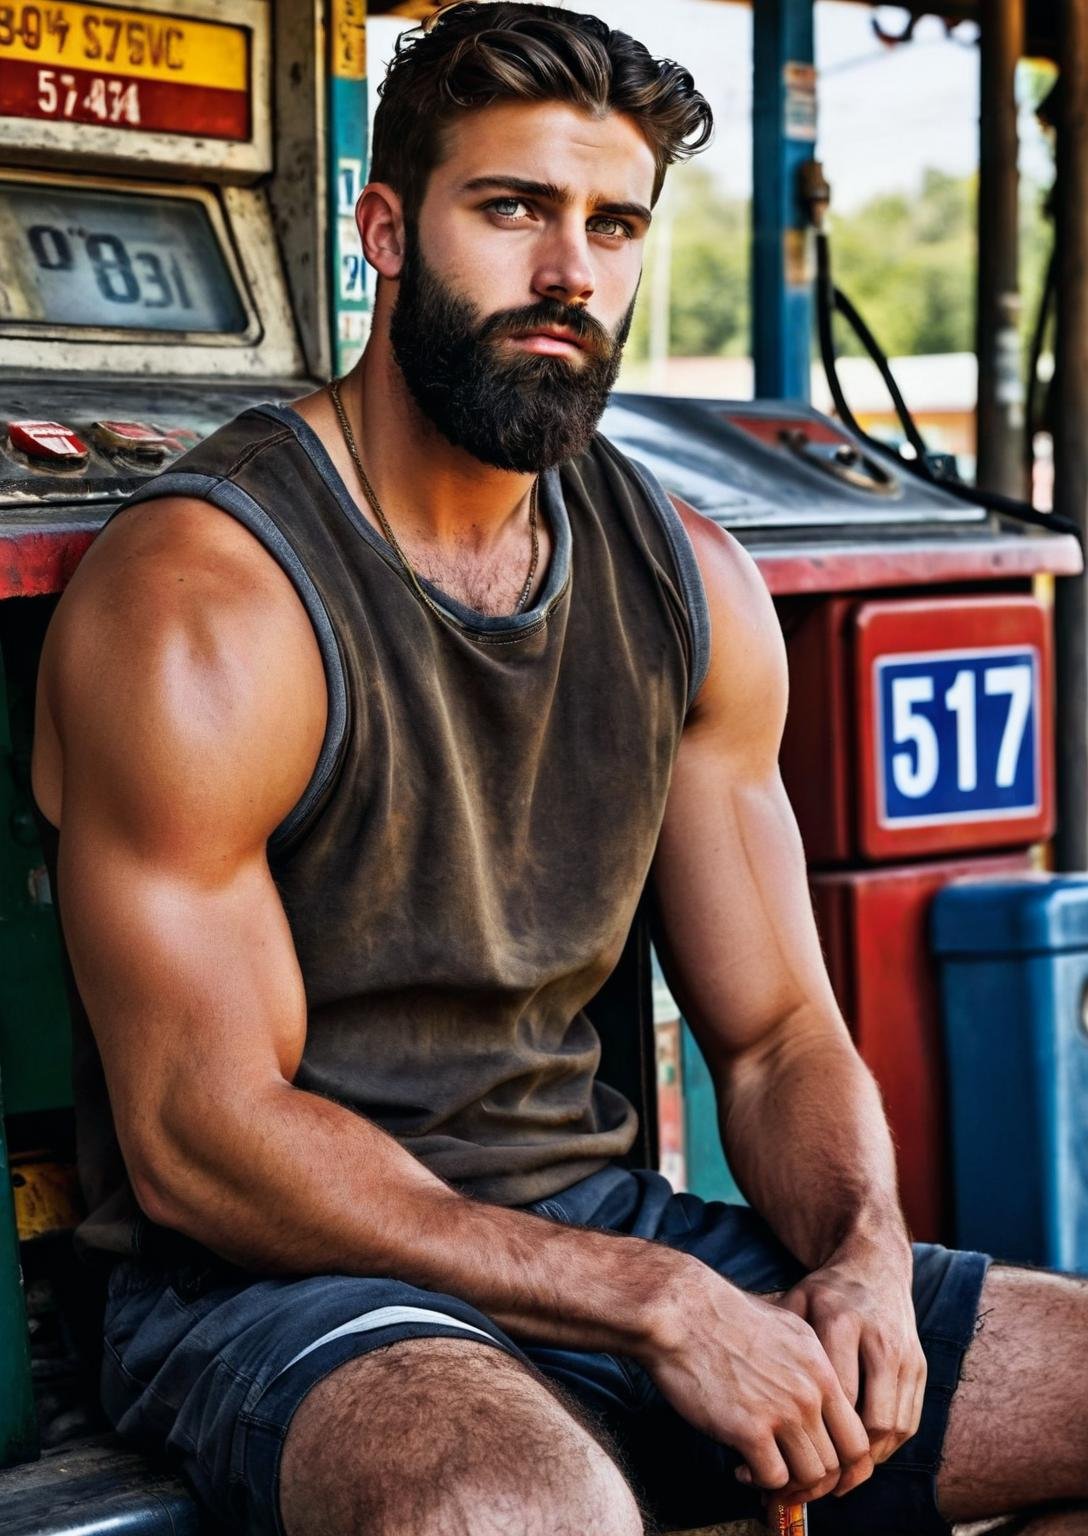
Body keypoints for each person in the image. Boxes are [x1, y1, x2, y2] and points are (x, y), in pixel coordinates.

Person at [29, 5, 1087, 1535]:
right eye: (512, 209)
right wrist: (651, 1300)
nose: (567, 274)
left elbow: (783, 1030)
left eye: (612, 224)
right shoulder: (210, 601)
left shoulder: (691, 585)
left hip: (598, 1236)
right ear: (385, 229)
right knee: (518, 1514)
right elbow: (206, 1142)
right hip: (288, 1294)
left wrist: (860, 1254)